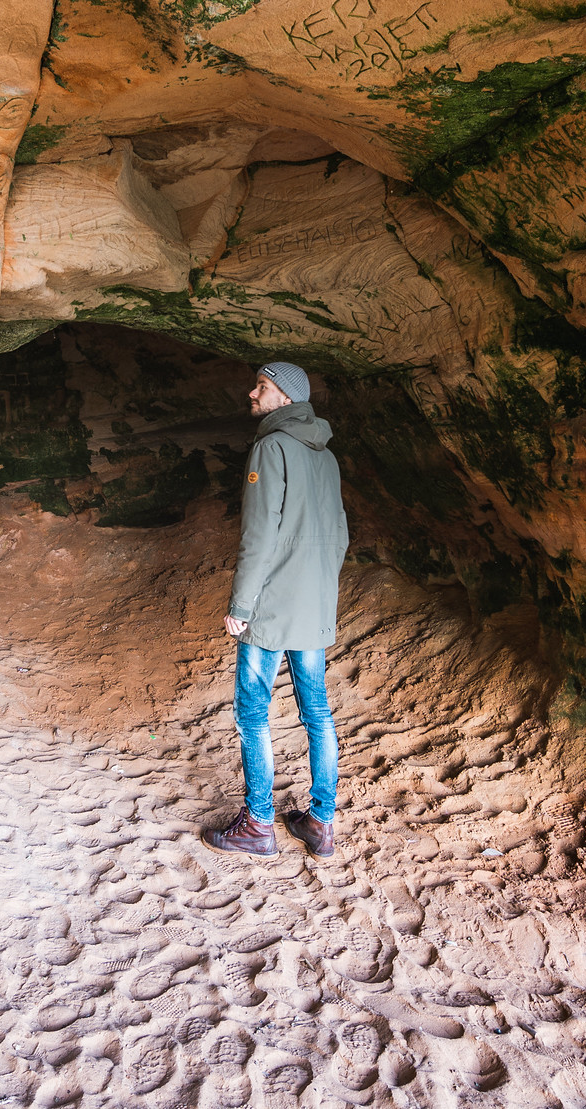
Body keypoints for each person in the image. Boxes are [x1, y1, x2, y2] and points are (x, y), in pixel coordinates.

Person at [202, 361, 348, 859]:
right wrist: (323, 593)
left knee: (253, 713)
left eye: (261, 387)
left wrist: (241, 605)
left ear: (285, 397)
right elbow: (340, 535)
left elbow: (259, 535)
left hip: (271, 609)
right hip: (313, 605)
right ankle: (321, 823)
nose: (252, 392)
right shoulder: (325, 456)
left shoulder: (271, 447)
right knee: (318, 713)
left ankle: (259, 823)